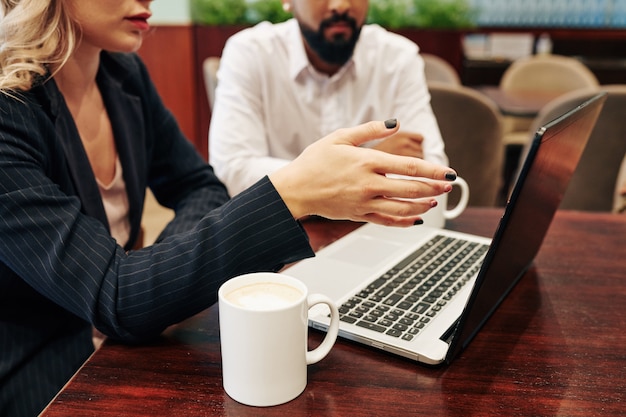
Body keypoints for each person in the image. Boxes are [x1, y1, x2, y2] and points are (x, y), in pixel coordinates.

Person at [0, 1, 457, 415]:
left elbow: (198, 184)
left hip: (141, 335)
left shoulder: (122, 75)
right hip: (49, 364)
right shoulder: (8, 114)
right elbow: (118, 297)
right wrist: (291, 191)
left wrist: (156, 273)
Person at [209, 0, 448, 196]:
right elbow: (233, 172)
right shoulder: (251, 53)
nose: (341, 5)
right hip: (281, 238)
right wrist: (368, 161)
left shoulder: (398, 58)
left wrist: (298, 182)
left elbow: (431, 171)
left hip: (379, 231)